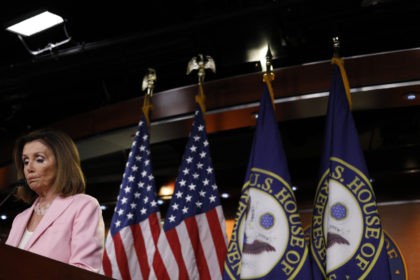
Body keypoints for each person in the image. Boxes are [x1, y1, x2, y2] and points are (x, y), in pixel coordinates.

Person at [5, 128, 105, 273]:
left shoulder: (83, 206)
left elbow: (84, 271)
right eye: (25, 161)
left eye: (39, 159)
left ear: (61, 163)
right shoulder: (19, 219)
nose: (29, 168)